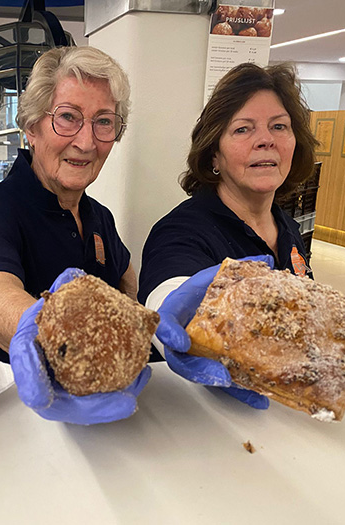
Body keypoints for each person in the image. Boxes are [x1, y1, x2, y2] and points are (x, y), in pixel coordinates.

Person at [0, 46, 150, 425]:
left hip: (106, 426)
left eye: (103, 122)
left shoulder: (99, 217)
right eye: (68, 118)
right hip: (15, 422)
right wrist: (46, 333)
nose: (86, 142)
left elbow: (125, 282)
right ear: (32, 127)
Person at [138, 63, 319, 408]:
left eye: (279, 126)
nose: (266, 140)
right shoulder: (181, 230)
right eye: (242, 130)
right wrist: (175, 318)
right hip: (208, 417)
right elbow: (169, 291)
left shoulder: (288, 228)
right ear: (214, 155)